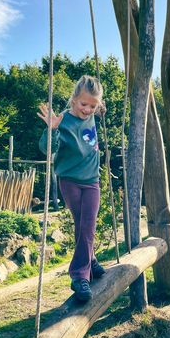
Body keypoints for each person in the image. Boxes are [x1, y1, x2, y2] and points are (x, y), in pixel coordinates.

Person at [38, 75, 106, 302]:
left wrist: (99, 106)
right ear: (73, 100)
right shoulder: (63, 120)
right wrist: (52, 130)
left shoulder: (94, 114)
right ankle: (84, 272)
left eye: (93, 106)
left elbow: (98, 106)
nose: (88, 110)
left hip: (92, 181)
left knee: (88, 224)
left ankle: (84, 270)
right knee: (83, 224)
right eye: (83, 104)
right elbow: (46, 150)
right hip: (69, 180)